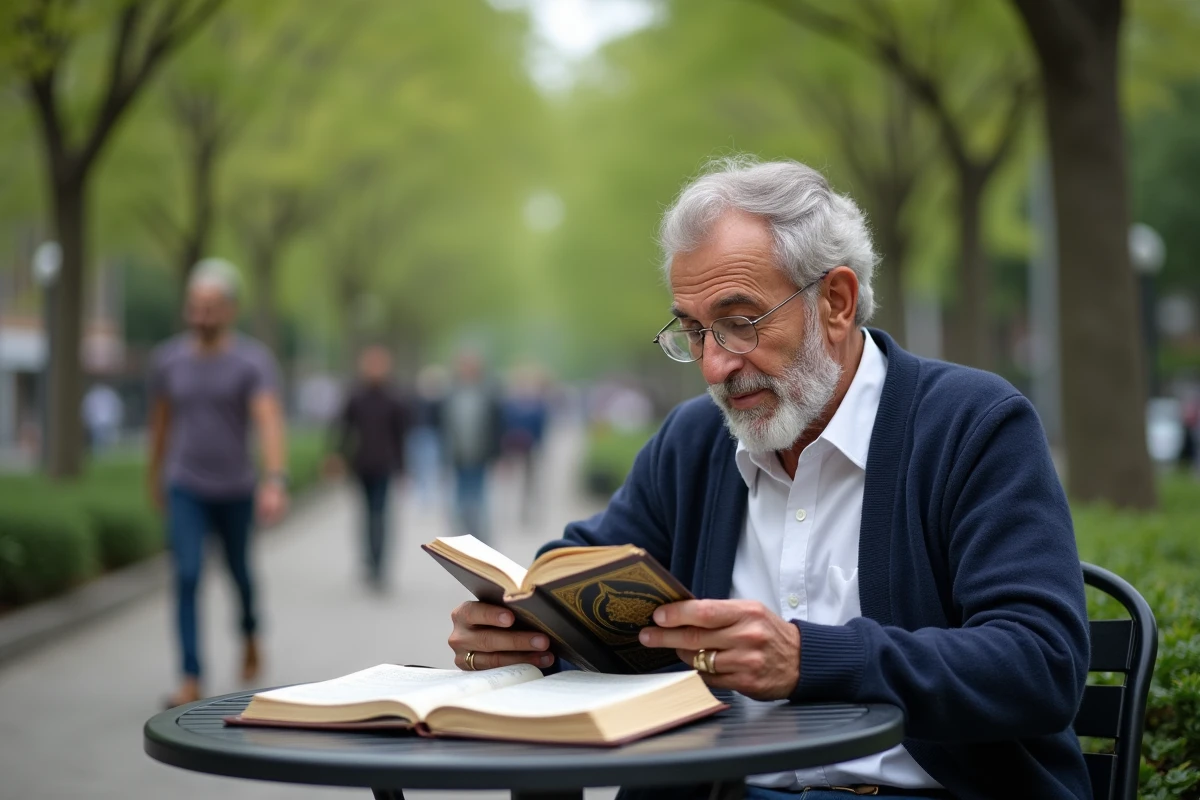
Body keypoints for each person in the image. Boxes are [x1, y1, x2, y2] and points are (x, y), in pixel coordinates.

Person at [447, 158, 1091, 800]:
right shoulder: (693, 441)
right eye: (695, 331)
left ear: (835, 303)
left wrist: (808, 659)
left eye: (740, 321)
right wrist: (520, 632)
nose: (715, 366)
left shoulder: (974, 425)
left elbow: (1041, 662)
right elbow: (581, 566)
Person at [148, 258, 289, 708]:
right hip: (185, 484)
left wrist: (275, 480)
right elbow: (160, 425)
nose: (202, 314)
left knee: (239, 574)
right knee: (187, 575)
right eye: (195, 305)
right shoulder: (167, 359)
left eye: (211, 306)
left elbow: (268, 421)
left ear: (231, 309)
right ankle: (190, 675)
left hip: (235, 488)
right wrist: (153, 476)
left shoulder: (252, 361)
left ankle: (249, 632)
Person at [326, 345, 411, 590]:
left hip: (385, 465)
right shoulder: (356, 396)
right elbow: (342, 428)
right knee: (365, 515)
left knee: (380, 515)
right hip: (361, 464)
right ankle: (368, 560)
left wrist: (403, 468)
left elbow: (401, 436)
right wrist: (336, 456)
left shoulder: (395, 398)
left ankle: (379, 565)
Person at [442, 350, 504, 542]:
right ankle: (463, 536)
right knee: (460, 498)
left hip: (480, 455)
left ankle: (480, 537)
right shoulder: (451, 394)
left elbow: (497, 426)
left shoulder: (488, 393)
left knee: (479, 497)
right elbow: (444, 426)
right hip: (458, 455)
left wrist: (498, 455)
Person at [501, 364, 550, 527]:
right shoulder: (510, 403)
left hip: (530, 448)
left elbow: (542, 428)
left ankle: (526, 512)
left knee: (530, 483)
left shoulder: (538, 404)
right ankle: (511, 512)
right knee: (511, 481)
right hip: (513, 447)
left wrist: (540, 446)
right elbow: (504, 425)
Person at [81, 382, 123, 451]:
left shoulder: (109, 394)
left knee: (109, 442)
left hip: (107, 422)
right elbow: (87, 409)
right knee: (98, 443)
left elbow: (116, 407)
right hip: (97, 423)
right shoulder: (93, 395)